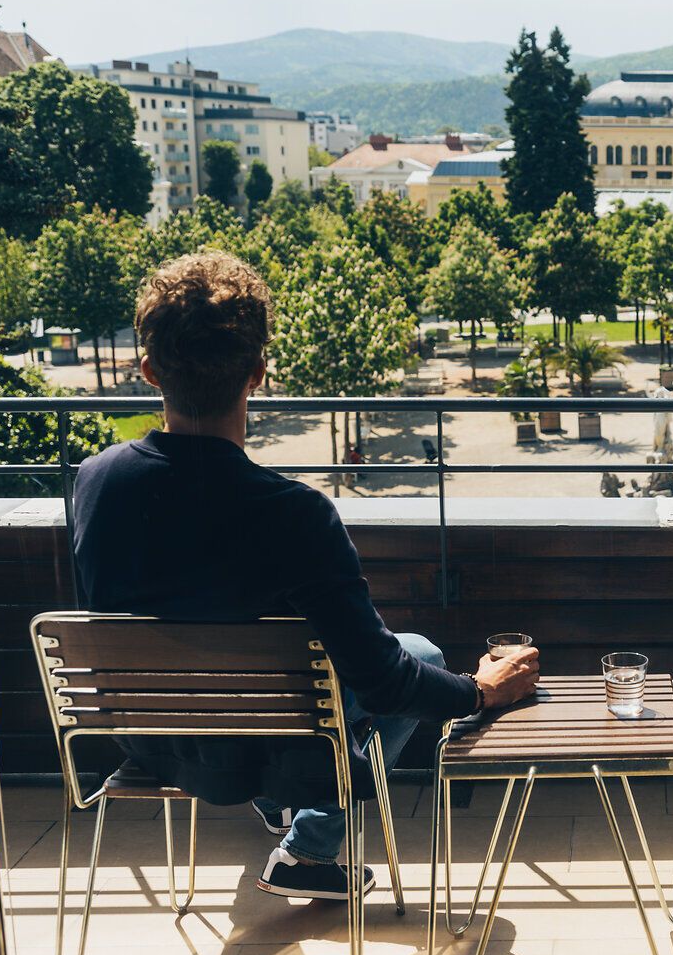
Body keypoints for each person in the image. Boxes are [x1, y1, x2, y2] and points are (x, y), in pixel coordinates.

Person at [71, 252, 540, 903]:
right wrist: (480, 692)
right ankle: (308, 847)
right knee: (419, 654)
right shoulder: (292, 514)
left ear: (150, 369)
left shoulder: (95, 481)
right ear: (259, 373)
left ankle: (283, 811)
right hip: (263, 751)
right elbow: (383, 679)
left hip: (151, 741)